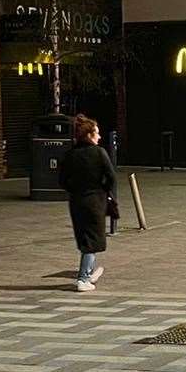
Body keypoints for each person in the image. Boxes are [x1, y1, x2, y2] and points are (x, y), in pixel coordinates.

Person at [57, 114, 116, 292]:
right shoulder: (99, 153)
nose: (99, 136)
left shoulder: (71, 154)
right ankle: (83, 278)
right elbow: (111, 177)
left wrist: (74, 189)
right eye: (96, 133)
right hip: (95, 201)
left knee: (85, 237)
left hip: (76, 201)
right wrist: (103, 188)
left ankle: (88, 272)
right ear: (89, 135)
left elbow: (62, 180)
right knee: (92, 241)